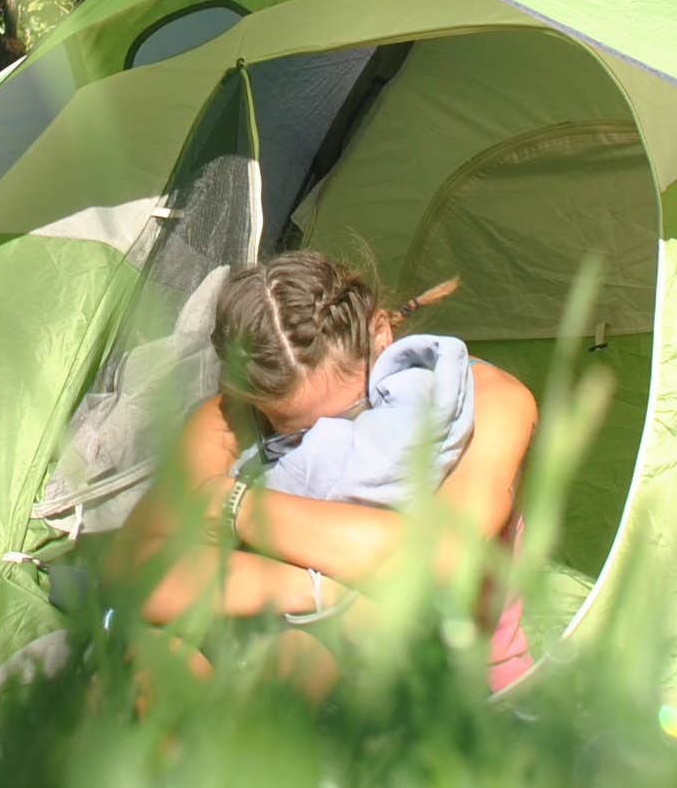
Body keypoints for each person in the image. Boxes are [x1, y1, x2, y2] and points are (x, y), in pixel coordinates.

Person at [118, 249, 541, 690]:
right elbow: (134, 570)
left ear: (381, 335)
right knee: (157, 664)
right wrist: (318, 592)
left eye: (347, 416)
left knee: (297, 662)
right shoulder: (231, 420)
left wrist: (233, 502)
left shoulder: (483, 400)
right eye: (292, 432)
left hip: (444, 676)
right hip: (267, 647)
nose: (324, 445)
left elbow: (440, 560)